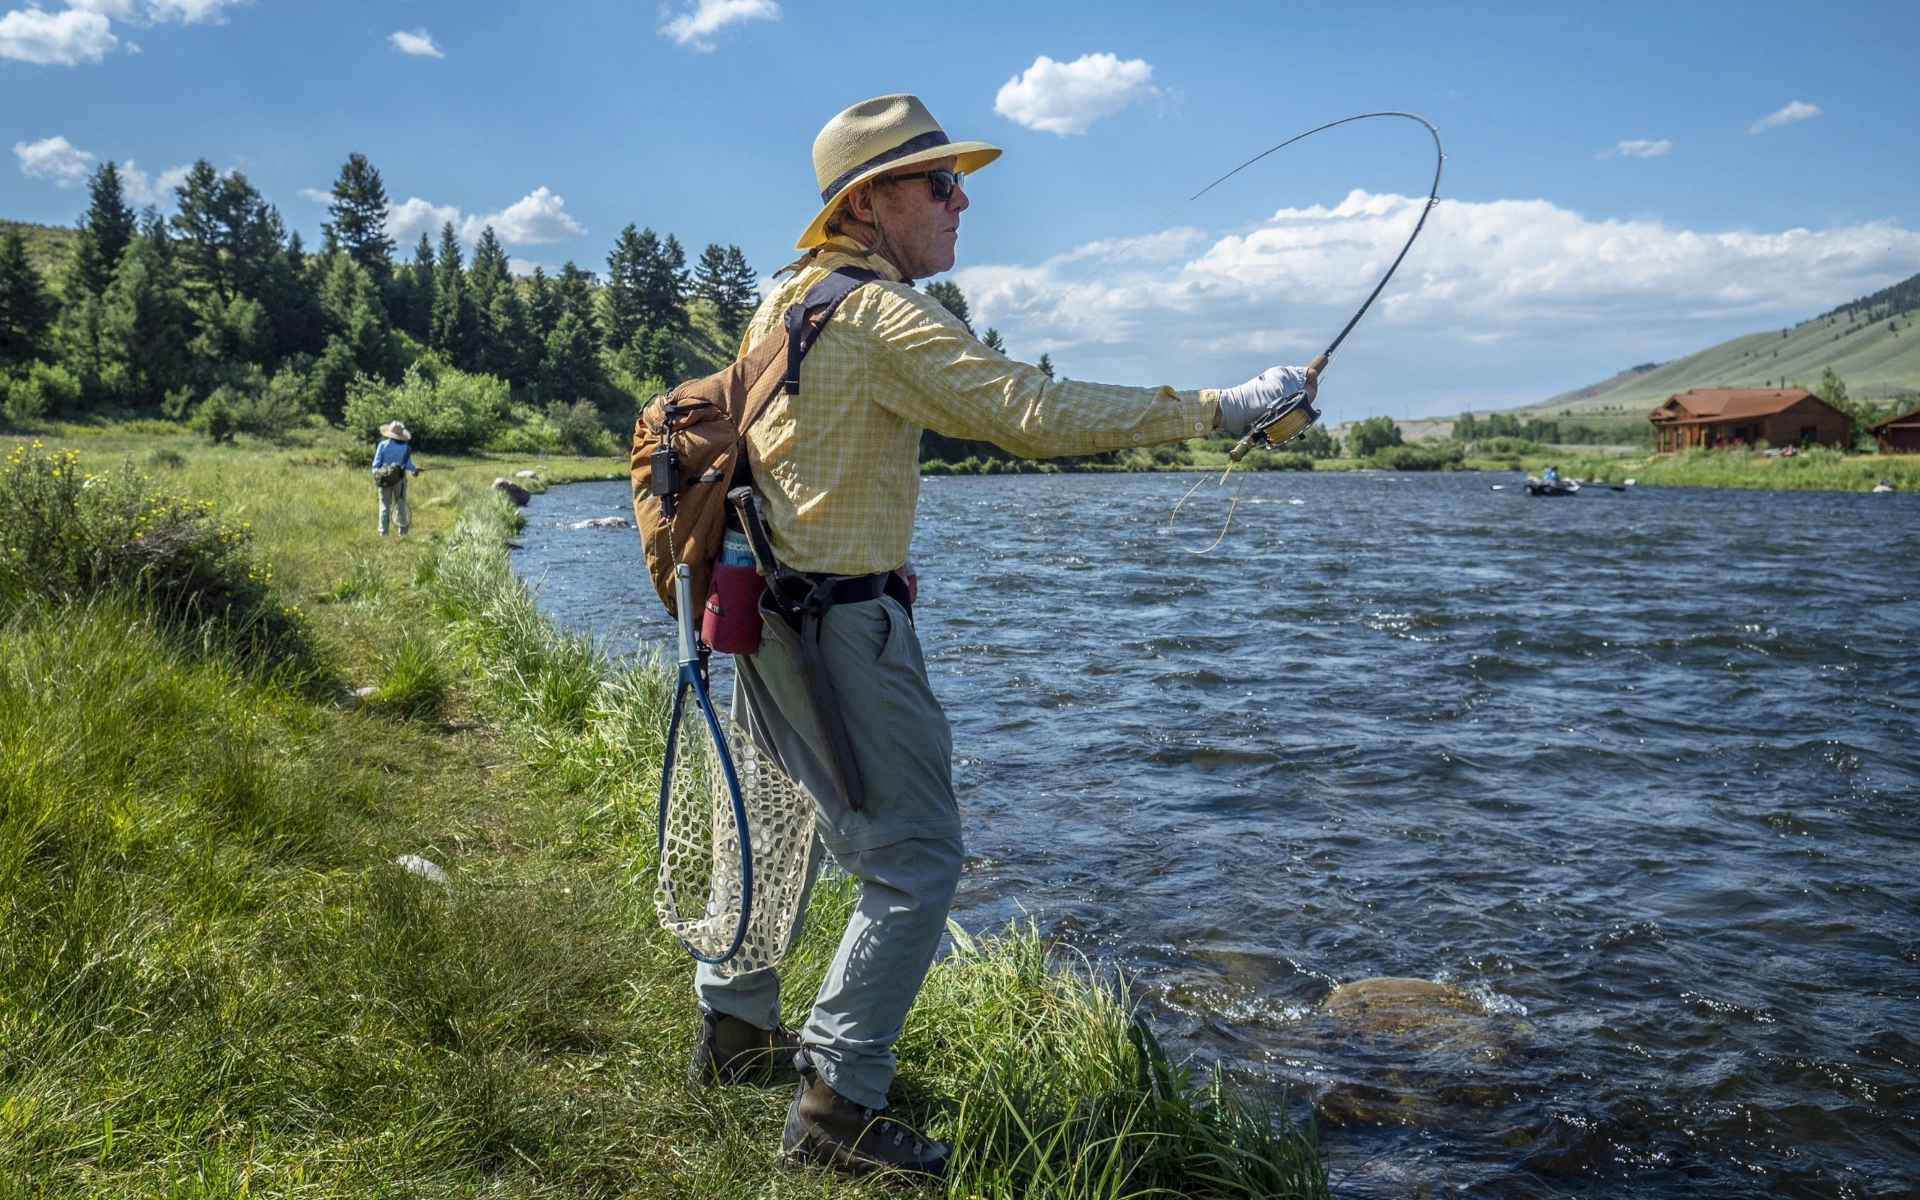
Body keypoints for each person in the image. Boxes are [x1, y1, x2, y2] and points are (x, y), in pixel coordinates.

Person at [686, 93, 1320, 1179]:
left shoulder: (788, 300)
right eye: (938, 183)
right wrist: (1224, 407)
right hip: (838, 630)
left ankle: (736, 1028)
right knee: (918, 861)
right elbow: (1031, 412)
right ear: (869, 203)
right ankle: (836, 1110)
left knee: (782, 817)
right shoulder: (884, 316)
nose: (962, 198)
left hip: (763, 614)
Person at [371, 420, 420, 535]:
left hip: (383, 479)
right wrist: (415, 469)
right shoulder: (405, 448)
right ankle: (402, 532)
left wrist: (376, 476)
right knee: (401, 504)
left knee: (384, 505)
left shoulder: (382, 445)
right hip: (400, 479)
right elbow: (409, 465)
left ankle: (383, 532)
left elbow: (375, 464)